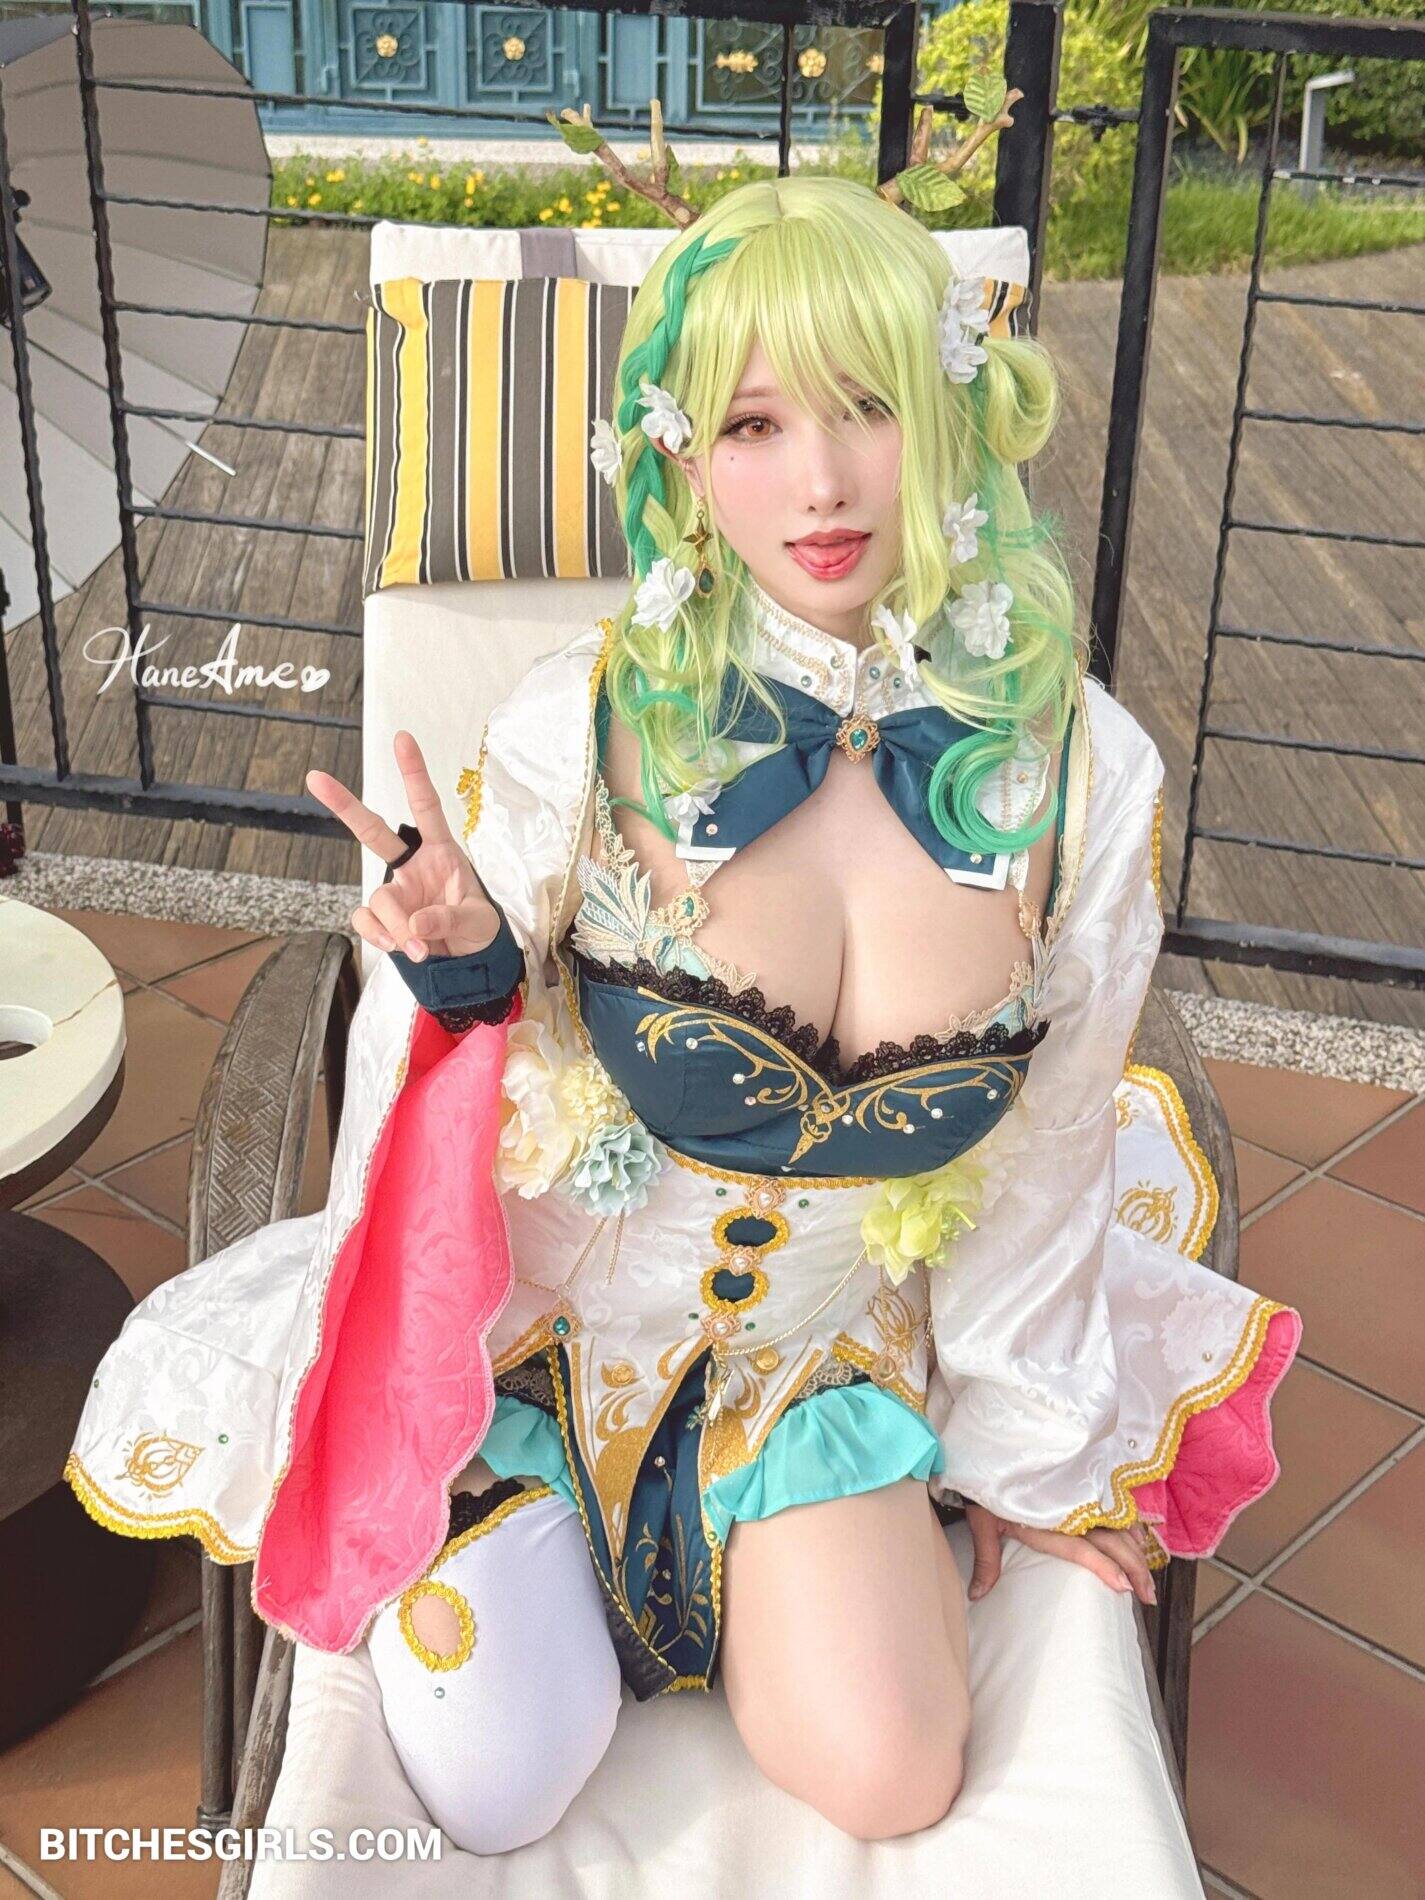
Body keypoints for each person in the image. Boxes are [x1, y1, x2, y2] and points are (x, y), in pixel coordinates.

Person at [68, 172, 1301, 1853]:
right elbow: (431, 1082)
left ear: (950, 414)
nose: (819, 482)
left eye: (867, 405)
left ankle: (801, 1550)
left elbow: (1049, 1148)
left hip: (819, 1365)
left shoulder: (1084, 777)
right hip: (547, 1348)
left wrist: (1024, 1461)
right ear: (681, 456)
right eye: (751, 425)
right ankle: (521, 1522)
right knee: (497, 1781)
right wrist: (464, 977)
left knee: (887, 1773)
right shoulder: (578, 723)